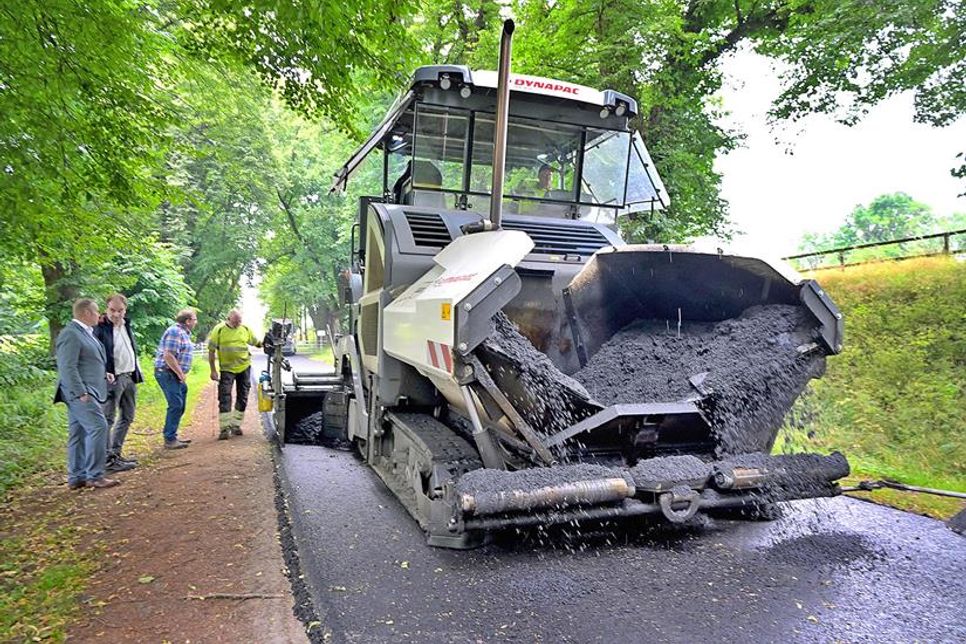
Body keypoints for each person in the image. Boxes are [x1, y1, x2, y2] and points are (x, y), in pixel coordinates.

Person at [54, 298, 119, 489]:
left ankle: (77, 477)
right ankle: (95, 475)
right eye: (97, 311)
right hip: (81, 393)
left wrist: (103, 373)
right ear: (86, 313)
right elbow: (67, 366)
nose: (100, 315)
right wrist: (80, 391)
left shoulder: (86, 333)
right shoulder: (71, 334)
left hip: (89, 389)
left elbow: (87, 361)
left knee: (78, 433)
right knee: (98, 427)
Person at [94, 293, 142, 473]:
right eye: (112, 310)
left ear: (125, 309)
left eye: (120, 310)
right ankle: (107, 460)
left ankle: (115, 454)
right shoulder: (100, 328)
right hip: (112, 379)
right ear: (106, 309)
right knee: (108, 418)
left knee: (127, 416)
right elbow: (95, 354)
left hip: (129, 376)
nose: (116, 314)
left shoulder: (127, 324)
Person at [208, 309, 262, 440]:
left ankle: (236, 425)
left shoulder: (245, 329)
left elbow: (257, 343)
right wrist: (213, 370)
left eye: (240, 321)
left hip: (244, 367)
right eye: (236, 321)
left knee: (243, 396)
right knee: (225, 397)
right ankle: (224, 429)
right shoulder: (219, 330)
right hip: (227, 369)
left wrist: (267, 342)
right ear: (229, 319)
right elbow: (211, 351)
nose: (238, 323)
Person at [154, 308, 198, 449]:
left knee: (180, 404)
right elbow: (168, 355)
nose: (196, 322)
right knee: (176, 405)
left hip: (174, 374)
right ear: (188, 321)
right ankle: (169, 438)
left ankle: (173, 435)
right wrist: (180, 373)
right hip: (168, 373)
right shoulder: (175, 331)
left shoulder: (184, 333)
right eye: (194, 319)